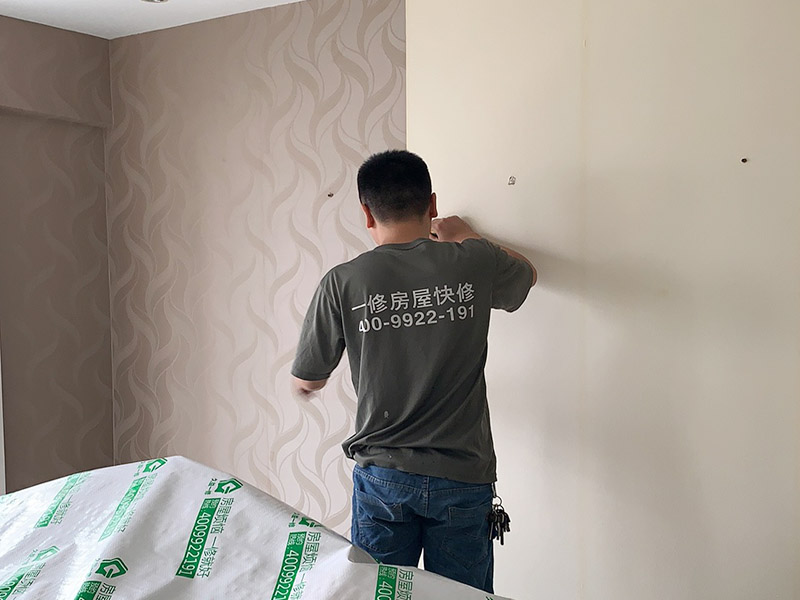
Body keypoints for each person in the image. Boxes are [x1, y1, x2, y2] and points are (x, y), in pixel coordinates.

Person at [290, 149, 535, 593]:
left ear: (367, 213)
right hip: (463, 476)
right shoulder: (473, 261)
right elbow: (527, 275)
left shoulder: (343, 281)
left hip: (383, 476)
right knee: (461, 597)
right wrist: (467, 236)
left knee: (377, 592)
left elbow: (309, 378)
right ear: (432, 205)